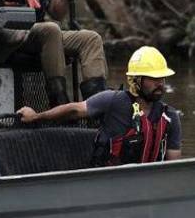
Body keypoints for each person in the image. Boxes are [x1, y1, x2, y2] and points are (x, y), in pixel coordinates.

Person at [16, 45, 182, 164]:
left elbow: (174, 166)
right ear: (136, 80)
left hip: (148, 186)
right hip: (111, 182)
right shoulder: (112, 101)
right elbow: (74, 110)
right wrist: (36, 116)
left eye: (162, 78)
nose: (160, 84)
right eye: (153, 79)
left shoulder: (170, 117)